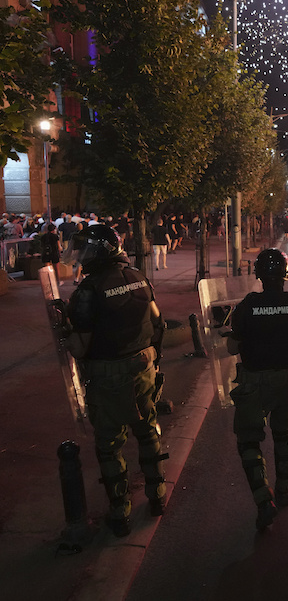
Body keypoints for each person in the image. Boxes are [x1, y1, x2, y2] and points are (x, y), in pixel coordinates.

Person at [64, 224, 167, 537]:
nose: (81, 256)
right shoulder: (138, 277)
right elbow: (157, 322)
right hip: (144, 367)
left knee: (110, 443)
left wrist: (64, 331)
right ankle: (157, 494)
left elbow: (80, 349)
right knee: (148, 430)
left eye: (85, 250)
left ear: (100, 252)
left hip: (109, 375)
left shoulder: (87, 291)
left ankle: (120, 510)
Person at [226, 249, 288, 530]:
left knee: (248, 440)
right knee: (283, 432)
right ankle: (284, 490)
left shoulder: (247, 305)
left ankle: (262, 498)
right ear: (286, 272)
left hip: (253, 382)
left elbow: (233, 346)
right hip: (286, 380)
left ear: (258, 274)